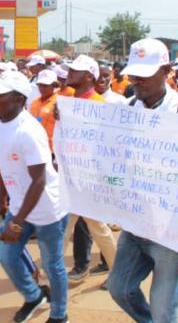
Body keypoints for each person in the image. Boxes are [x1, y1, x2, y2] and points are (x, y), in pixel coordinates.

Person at [108, 38, 178, 323]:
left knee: (163, 305)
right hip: (136, 221)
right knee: (119, 288)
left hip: (171, 227)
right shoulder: (128, 109)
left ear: (167, 70)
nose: (138, 80)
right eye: (134, 74)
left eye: (145, 74)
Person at [0, 71, 70, 323]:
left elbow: (39, 180)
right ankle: (34, 296)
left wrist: (17, 222)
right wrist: (2, 200)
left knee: (52, 265)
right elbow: (2, 163)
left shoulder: (28, 132)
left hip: (47, 211)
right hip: (19, 206)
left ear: (19, 100)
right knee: (5, 256)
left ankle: (59, 315)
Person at [62, 55, 117, 285]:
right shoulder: (70, 101)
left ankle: (117, 272)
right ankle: (117, 272)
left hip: (88, 177)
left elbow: (104, 145)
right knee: (72, 226)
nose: (69, 74)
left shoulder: (97, 104)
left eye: (75, 71)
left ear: (88, 76)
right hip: (71, 175)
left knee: (89, 226)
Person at [29, 70, 59, 151]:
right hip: (35, 147)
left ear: (54, 85)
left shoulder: (59, 103)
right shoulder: (34, 102)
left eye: (45, 85)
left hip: (52, 150)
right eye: (40, 85)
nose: (42, 88)